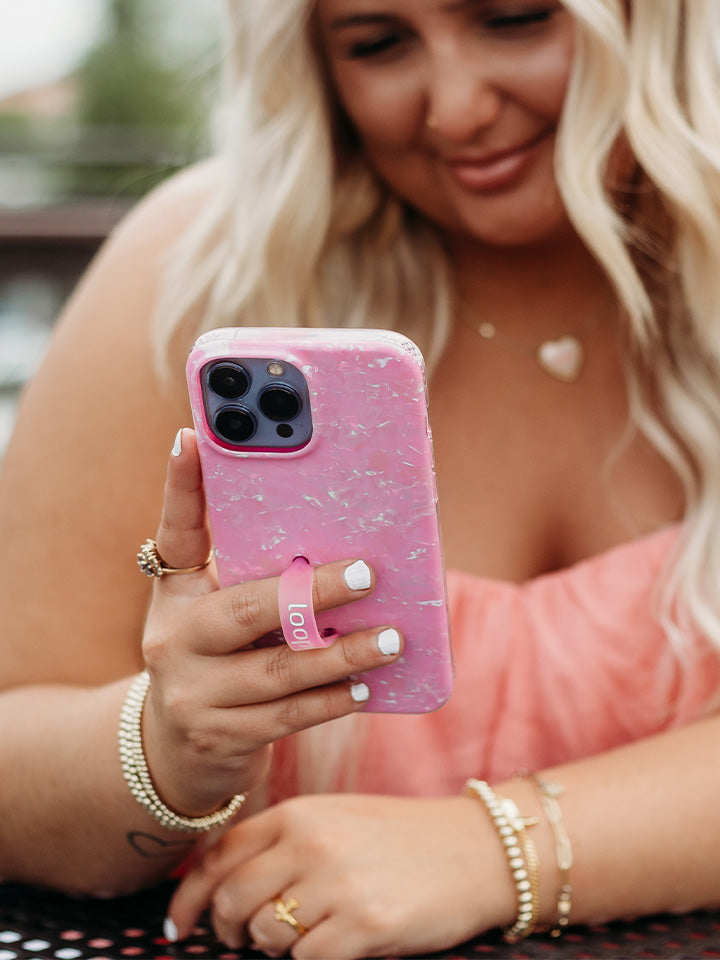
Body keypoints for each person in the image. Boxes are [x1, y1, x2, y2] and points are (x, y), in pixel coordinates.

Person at [2, 0, 720, 956]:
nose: (458, 110)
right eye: (378, 44)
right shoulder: (191, 274)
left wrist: (492, 850)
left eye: (513, 19)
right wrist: (163, 746)